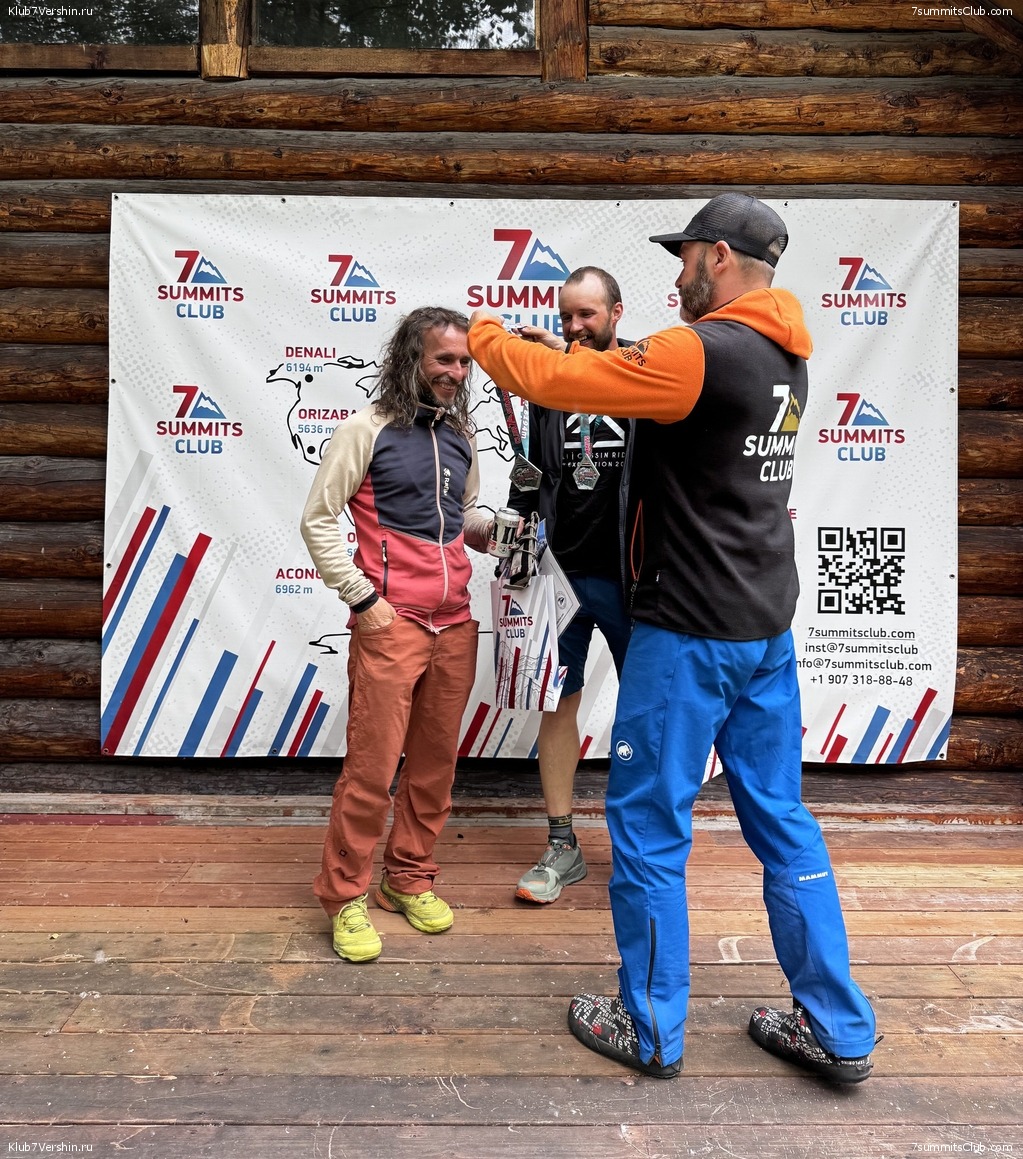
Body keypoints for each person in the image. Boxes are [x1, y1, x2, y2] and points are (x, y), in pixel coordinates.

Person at [467, 194, 878, 1082]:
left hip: (688, 629)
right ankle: (839, 1028)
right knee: (782, 821)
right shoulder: (784, 353)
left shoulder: (701, 350)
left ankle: (650, 1025)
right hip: (762, 627)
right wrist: (561, 351)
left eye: (684, 256)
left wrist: (487, 335)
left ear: (718, 256)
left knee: (649, 824)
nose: (677, 274)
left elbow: (560, 384)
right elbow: (614, 377)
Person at [301, 306, 492, 963]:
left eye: (464, 362)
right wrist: (364, 600)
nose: (455, 372)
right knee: (372, 769)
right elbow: (319, 518)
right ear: (411, 357)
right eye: (444, 359)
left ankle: (407, 877)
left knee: (434, 769)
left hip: (455, 622)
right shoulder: (366, 429)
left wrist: (497, 531)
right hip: (393, 623)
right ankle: (344, 895)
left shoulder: (461, 433)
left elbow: (463, 515)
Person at [504, 267, 633, 904]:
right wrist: (517, 532)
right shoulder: (550, 384)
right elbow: (533, 467)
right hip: (562, 574)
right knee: (557, 705)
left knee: (649, 710)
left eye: (588, 315)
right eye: (566, 317)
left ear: (616, 313)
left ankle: (640, 844)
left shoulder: (644, 373)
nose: (576, 327)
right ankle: (562, 844)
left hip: (634, 578)